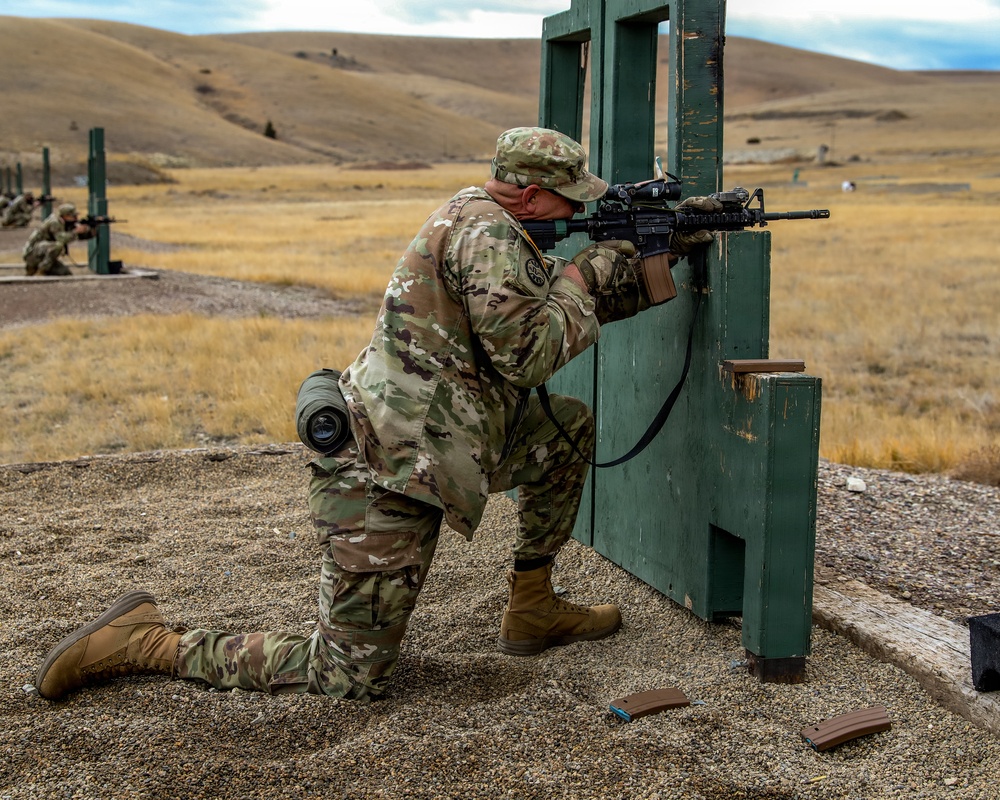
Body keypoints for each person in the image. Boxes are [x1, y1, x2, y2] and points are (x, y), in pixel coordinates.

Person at [35, 127, 715, 703]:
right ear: (533, 194)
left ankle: (533, 604)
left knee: (563, 431)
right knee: (349, 676)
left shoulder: (494, 222)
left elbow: (546, 312)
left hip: (446, 443)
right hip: (385, 469)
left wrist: (667, 242)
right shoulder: (487, 236)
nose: (579, 208)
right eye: (572, 197)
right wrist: (580, 278)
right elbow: (530, 354)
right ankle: (144, 640)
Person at [22, 203, 93, 276]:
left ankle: (36, 269)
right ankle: (41, 270)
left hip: (42, 253)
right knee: (58, 246)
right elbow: (61, 239)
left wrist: (89, 232)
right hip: (32, 253)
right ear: (65, 216)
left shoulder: (63, 222)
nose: (76, 218)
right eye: (73, 216)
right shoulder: (55, 222)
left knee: (65, 273)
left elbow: (75, 236)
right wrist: (76, 232)